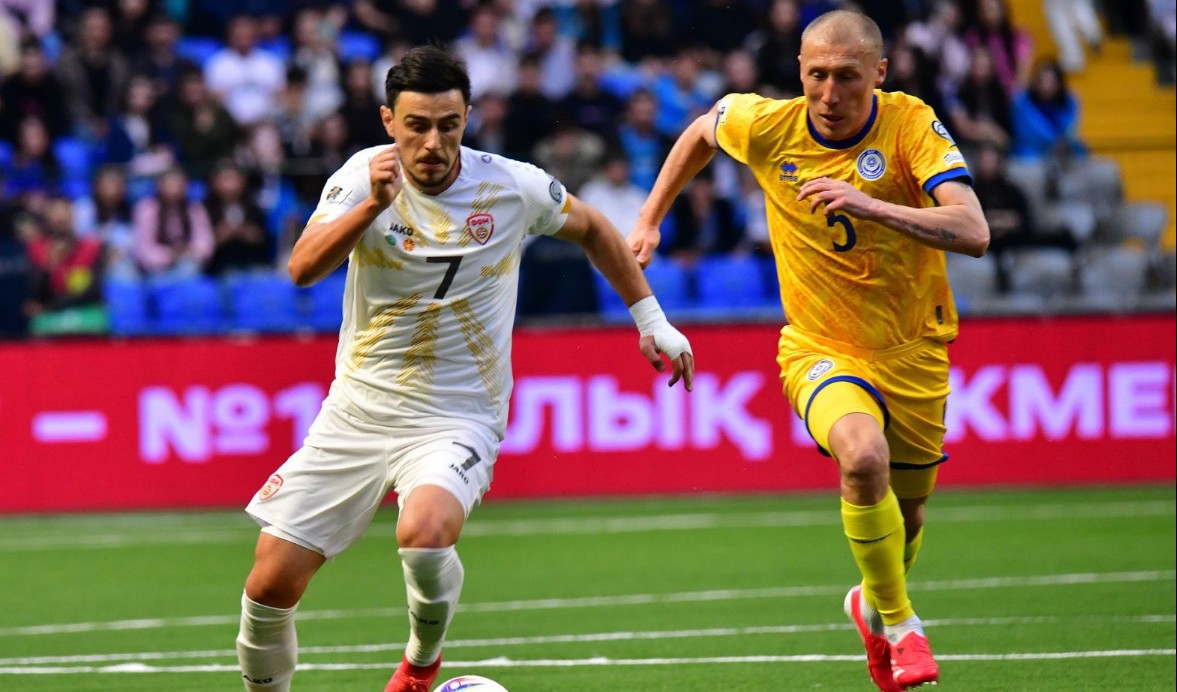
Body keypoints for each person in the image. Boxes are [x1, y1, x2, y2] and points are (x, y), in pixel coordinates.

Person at [234, 45, 695, 692]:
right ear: (388, 121)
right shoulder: (361, 176)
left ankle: (420, 666)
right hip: (357, 413)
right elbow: (302, 268)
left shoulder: (510, 186)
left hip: (457, 414)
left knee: (423, 534)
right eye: (417, 125)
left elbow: (594, 228)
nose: (433, 142)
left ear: (467, 119)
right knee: (268, 588)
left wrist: (651, 320)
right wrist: (370, 206)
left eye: (448, 125)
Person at [627, 10, 989, 691]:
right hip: (819, 346)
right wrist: (649, 219)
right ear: (798, 71)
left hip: (913, 348)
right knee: (863, 457)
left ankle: (870, 603)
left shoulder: (909, 124)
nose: (828, 92)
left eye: (847, 77)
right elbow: (702, 130)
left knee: (908, 516)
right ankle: (902, 624)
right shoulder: (768, 125)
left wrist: (869, 204)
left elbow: (973, 230)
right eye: (816, 74)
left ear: (879, 74)